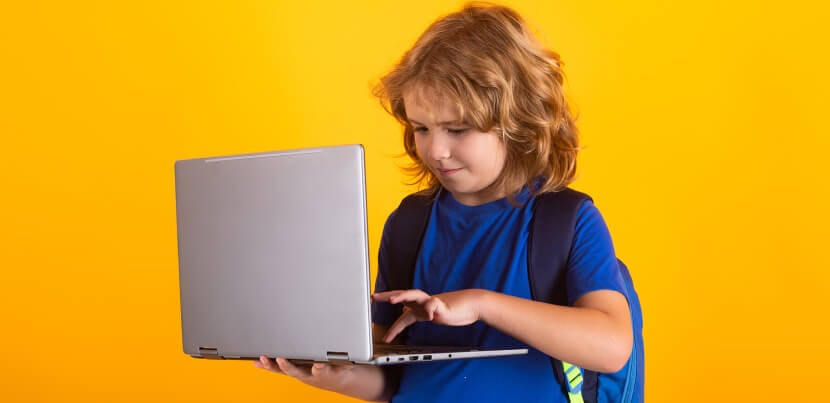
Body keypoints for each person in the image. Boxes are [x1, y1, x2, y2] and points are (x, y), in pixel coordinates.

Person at [255, 3, 633, 402]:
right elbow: (393, 379)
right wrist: (331, 375)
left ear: (519, 123)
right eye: (421, 127)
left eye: (458, 129)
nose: (436, 150)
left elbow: (611, 347)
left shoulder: (564, 221)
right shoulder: (409, 225)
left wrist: (481, 304)